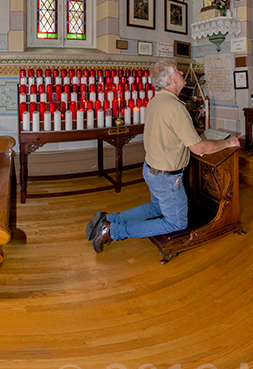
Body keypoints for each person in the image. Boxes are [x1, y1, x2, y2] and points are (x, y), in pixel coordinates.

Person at [87, 59, 239, 253]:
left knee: (157, 208)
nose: (182, 74)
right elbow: (198, 147)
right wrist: (227, 143)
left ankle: (110, 219)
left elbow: (169, 131)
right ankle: (113, 231)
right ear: (170, 79)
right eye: (178, 71)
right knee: (176, 223)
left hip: (152, 170)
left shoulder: (156, 100)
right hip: (167, 177)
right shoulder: (175, 107)